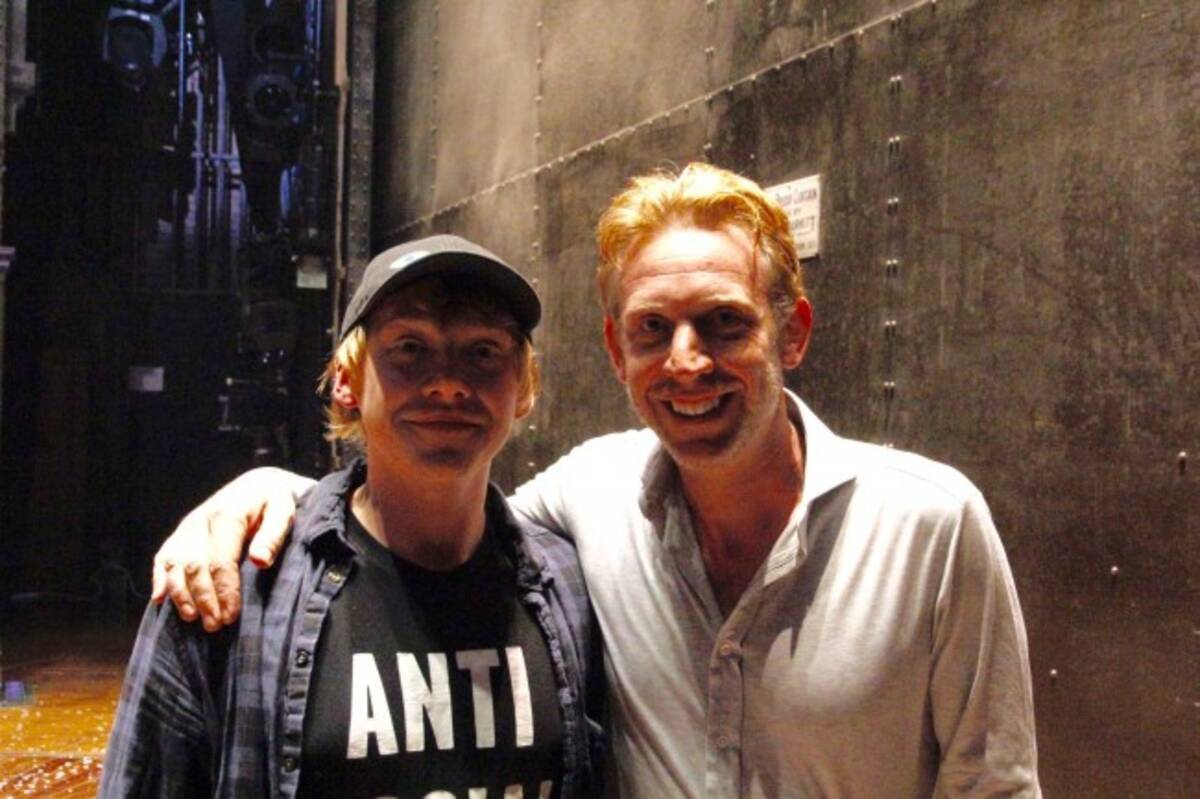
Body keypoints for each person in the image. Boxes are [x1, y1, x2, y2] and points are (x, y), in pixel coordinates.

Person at [152, 164, 1041, 797]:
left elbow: (994, 785)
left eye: (724, 323)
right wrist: (271, 489)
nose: (686, 361)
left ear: (794, 332)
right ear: (617, 349)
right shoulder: (588, 503)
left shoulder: (931, 525)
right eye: (653, 329)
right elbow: (424, 502)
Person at [102, 235, 604, 798]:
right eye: (410, 347)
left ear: (525, 388)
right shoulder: (228, 587)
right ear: (347, 381)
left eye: (483, 352)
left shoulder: (571, 587)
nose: (447, 381)